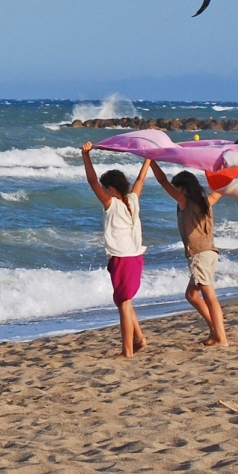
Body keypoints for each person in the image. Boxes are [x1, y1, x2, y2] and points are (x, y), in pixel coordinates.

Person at [81, 141, 151, 358]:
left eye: (104, 188)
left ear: (110, 189)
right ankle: (139, 339)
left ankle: (127, 351)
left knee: (123, 303)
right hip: (135, 258)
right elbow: (140, 180)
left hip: (123, 259)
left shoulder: (111, 203)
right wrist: (148, 157)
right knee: (123, 300)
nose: (101, 191)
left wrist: (86, 155)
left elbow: (91, 181)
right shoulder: (133, 200)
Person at [149, 161, 229, 347]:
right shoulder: (206, 201)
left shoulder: (185, 201)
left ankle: (222, 338)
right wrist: (228, 174)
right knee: (192, 295)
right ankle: (214, 331)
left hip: (200, 255)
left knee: (209, 296)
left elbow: (162, 181)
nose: (176, 192)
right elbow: (223, 190)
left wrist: (151, 161)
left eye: (177, 188)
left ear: (183, 188)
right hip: (208, 253)